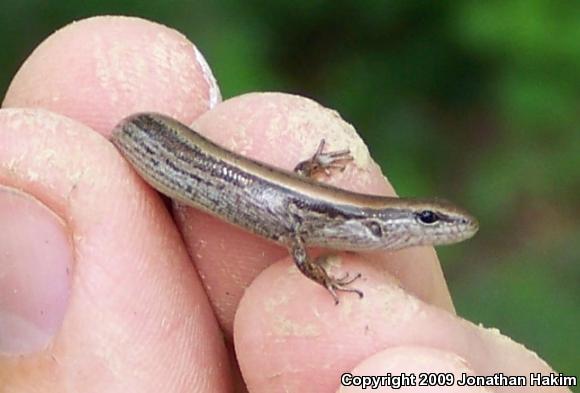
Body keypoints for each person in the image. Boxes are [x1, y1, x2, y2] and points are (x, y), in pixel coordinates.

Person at [0, 16, 570, 393]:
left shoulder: (342, 223)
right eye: (429, 219)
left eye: (434, 221)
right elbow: (295, 237)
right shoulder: (339, 221)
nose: (439, 227)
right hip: (154, 142)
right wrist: (318, 274)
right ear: (395, 221)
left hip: (172, 164)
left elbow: (295, 228)